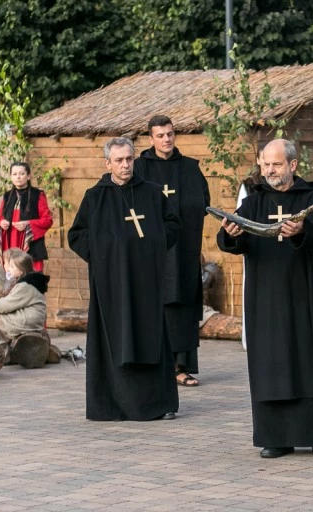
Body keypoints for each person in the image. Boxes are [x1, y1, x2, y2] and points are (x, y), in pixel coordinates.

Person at [218, 139, 313, 459]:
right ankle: (276, 438)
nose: (269, 171)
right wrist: (229, 234)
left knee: (307, 364)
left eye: (276, 164)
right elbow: (233, 236)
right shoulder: (253, 203)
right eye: (265, 165)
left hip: (302, 297)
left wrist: (301, 230)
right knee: (269, 366)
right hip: (265, 301)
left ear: (293, 165)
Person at [68, 137, 181, 421]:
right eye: (119, 160)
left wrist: (152, 246)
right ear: (108, 163)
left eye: (129, 159)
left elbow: (173, 225)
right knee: (114, 338)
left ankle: (157, 403)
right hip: (111, 284)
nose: (125, 164)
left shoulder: (153, 194)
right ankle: (112, 405)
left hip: (147, 282)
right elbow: (77, 235)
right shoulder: (95, 197)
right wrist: (106, 254)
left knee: (150, 335)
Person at [135, 115, 210, 387]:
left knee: (182, 307)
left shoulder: (190, 168)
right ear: (151, 138)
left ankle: (181, 366)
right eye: (160, 135)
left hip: (184, 251)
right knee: (153, 305)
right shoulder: (140, 169)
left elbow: (204, 201)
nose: (166, 139)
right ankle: (154, 365)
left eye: (170, 134)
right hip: (152, 254)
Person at [0, 162, 54, 272]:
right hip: (11, 245)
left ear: (28, 176)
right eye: (15, 174)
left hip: (31, 246)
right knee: (12, 282)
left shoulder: (38, 195)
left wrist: (28, 224)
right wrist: (1, 223)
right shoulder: (7, 196)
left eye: (22, 174)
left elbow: (47, 220)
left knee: (32, 281)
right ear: (11, 177)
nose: (18, 177)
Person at [235, 142, 266, 351]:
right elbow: (240, 219)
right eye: (265, 159)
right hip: (257, 253)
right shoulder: (249, 186)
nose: (269, 166)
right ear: (258, 160)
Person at [0, 248, 49, 341]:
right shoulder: (29, 281)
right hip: (31, 317)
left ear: (21, 271)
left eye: (12, 267)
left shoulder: (25, 285)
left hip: (29, 320)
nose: (9, 270)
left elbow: (7, 305)